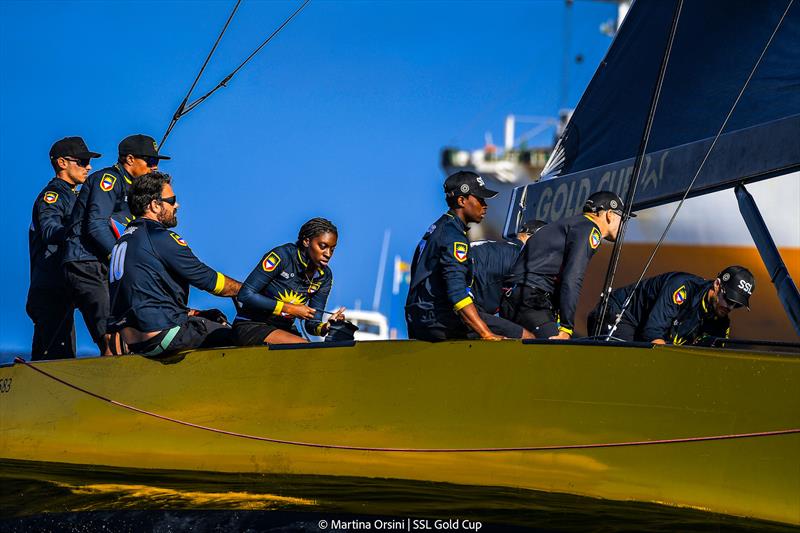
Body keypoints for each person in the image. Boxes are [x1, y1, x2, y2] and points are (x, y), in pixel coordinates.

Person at [107, 172, 241, 356]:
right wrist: (245, 290)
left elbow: (146, 297)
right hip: (162, 335)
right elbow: (208, 280)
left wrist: (192, 314)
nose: (176, 205)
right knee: (240, 337)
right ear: (155, 205)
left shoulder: (125, 239)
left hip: (134, 341)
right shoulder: (158, 236)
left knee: (208, 319)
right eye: (172, 200)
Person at [62, 134, 169, 355]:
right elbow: (96, 225)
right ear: (129, 159)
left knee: (124, 332)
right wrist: (120, 258)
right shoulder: (108, 180)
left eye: (157, 161)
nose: (154, 166)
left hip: (107, 264)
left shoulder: (135, 188)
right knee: (111, 338)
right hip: (87, 262)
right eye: (149, 161)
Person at [405, 171, 533, 341]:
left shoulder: (437, 229)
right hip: (437, 318)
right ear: (461, 200)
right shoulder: (453, 237)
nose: (485, 205)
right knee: (526, 337)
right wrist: (485, 333)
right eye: (480, 199)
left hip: (418, 317)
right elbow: (456, 292)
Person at [500, 191, 633, 339]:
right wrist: (566, 327)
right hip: (532, 300)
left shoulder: (568, 224)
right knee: (562, 352)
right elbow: (573, 277)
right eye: (623, 219)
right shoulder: (590, 229)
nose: (624, 226)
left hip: (511, 298)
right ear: (610, 214)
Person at [27, 137, 101, 360]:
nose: (88, 166)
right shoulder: (53, 196)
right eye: (82, 161)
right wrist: (81, 226)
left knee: (62, 354)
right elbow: (49, 230)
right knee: (53, 358)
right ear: (62, 163)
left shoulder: (74, 196)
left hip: (64, 289)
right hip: (50, 291)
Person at [233, 218, 346, 345]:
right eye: (323, 246)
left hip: (284, 329)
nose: (328, 254)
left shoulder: (325, 276)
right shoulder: (282, 256)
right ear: (306, 241)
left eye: (332, 249)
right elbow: (245, 294)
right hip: (252, 325)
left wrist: (326, 327)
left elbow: (312, 324)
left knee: (315, 352)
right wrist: (290, 308)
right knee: (305, 348)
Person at [586, 266, 754, 345]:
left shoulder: (721, 322)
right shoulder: (682, 288)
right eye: (728, 299)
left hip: (647, 332)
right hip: (621, 315)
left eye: (736, 305)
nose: (730, 307)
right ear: (717, 285)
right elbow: (652, 332)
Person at [470, 219, 546, 314]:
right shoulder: (521, 256)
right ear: (532, 237)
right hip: (465, 304)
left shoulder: (492, 245)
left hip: (456, 292)